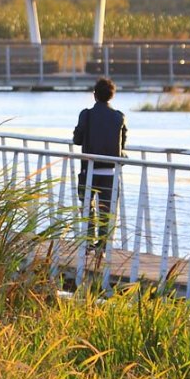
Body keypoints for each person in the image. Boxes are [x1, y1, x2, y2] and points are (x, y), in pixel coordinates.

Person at [72, 78, 127, 251]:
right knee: (106, 211)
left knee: (87, 208)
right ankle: (102, 246)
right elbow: (122, 145)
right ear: (112, 96)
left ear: (94, 95)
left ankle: (88, 242)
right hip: (110, 173)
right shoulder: (119, 117)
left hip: (88, 171)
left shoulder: (86, 114)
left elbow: (77, 140)